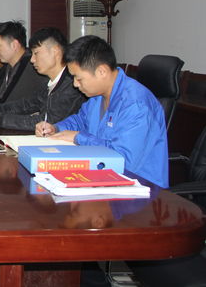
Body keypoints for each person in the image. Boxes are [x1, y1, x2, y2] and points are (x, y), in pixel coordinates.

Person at [36, 35, 168, 188]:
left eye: (79, 78)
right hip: (102, 178)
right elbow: (80, 120)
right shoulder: (98, 96)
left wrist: (79, 138)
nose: (75, 84)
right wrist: (56, 128)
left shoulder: (136, 105)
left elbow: (123, 160)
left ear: (102, 71)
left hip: (139, 189)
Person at [0, 27, 85, 130]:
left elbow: (48, 122)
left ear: (55, 51)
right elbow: (27, 104)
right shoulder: (51, 82)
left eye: (36, 53)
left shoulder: (71, 84)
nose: (32, 60)